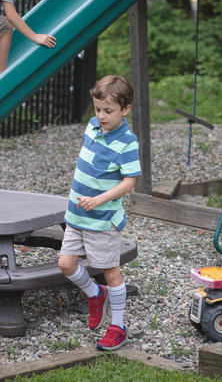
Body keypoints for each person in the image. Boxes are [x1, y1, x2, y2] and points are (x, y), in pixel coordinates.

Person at [57, 75, 142, 351]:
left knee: (111, 272)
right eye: (98, 109)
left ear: (125, 109)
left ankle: (118, 327)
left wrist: (98, 200)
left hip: (103, 220)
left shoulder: (127, 143)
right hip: (76, 216)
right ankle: (95, 295)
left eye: (109, 111)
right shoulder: (92, 126)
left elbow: (129, 183)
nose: (101, 116)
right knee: (66, 264)